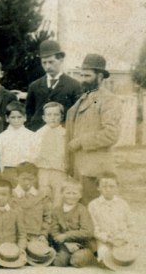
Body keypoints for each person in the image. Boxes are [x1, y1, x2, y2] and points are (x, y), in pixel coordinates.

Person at [65, 54, 123, 202]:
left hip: (95, 171)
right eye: (81, 75)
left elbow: (111, 134)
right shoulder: (83, 98)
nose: (83, 79)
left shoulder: (109, 100)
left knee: (93, 214)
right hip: (79, 168)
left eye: (88, 75)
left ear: (100, 77)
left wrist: (81, 141)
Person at [25, 40, 82, 131]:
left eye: (51, 62)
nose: (47, 66)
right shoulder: (34, 86)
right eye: (44, 62)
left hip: (62, 135)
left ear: (61, 60)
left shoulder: (74, 86)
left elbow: (77, 115)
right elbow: (28, 113)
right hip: (38, 135)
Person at [49, 179, 95, 267]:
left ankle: (86, 255)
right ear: (62, 194)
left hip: (81, 245)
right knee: (59, 262)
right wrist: (66, 243)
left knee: (77, 261)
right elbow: (54, 232)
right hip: (64, 244)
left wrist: (67, 235)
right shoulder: (56, 210)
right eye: (68, 193)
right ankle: (66, 256)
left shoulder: (82, 210)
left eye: (74, 193)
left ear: (80, 195)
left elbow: (87, 232)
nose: (71, 196)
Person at [88, 173, 133, 263]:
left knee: (128, 257)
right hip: (104, 241)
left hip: (121, 240)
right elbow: (94, 228)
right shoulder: (93, 205)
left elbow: (130, 225)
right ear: (98, 188)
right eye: (104, 186)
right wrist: (109, 240)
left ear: (117, 187)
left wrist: (123, 238)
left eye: (112, 186)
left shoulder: (123, 204)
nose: (108, 189)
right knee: (105, 257)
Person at [30, 102, 67, 206]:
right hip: (43, 171)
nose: (52, 118)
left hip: (59, 172)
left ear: (61, 117)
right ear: (44, 117)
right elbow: (33, 153)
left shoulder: (65, 134)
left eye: (56, 115)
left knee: (58, 198)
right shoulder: (38, 134)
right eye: (49, 115)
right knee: (44, 197)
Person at [0, 104, 37, 178]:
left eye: (19, 117)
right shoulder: (3, 136)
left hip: (26, 171)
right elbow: (1, 156)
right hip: (9, 170)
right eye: (13, 117)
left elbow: (34, 156)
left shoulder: (31, 135)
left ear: (25, 117)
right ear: (7, 118)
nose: (16, 120)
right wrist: (2, 172)